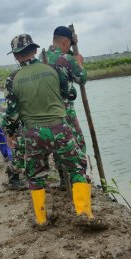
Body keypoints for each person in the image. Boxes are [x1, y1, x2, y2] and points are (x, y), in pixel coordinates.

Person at [4, 34, 100, 229]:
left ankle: (41, 219)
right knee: (77, 168)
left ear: (16, 56)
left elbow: (12, 114)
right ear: (35, 50)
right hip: (60, 129)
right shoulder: (54, 69)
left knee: (35, 175)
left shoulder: (13, 79)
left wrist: (10, 132)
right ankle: (84, 213)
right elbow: (70, 94)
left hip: (33, 134)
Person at [44, 26, 87, 188]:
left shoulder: (42, 59)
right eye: (69, 45)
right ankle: (78, 178)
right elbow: (81, 78)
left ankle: (64, 180)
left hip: (44, 111)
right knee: (78, 143)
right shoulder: (66, 59)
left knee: (58, 144)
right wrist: (80, 63)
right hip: (64, 109)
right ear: (65, 42)